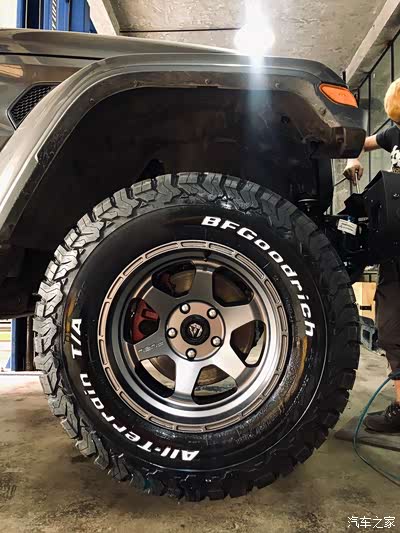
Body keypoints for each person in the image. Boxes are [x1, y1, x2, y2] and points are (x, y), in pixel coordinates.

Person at [344, 78, 400, 432]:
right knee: (391, 326)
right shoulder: (394, 134)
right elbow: (360, 142)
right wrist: (352, 159)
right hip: (396, 245)